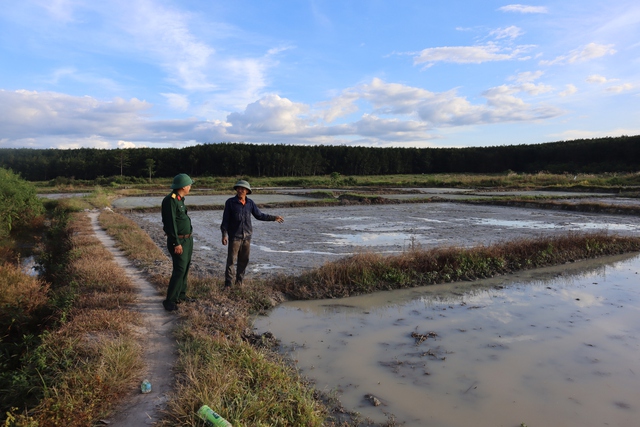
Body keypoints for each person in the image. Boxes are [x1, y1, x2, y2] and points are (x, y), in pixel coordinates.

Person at [220, 179, 284, 288]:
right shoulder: (230, 202)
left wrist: (274, 218)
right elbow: (225, 221)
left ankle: (239, 283)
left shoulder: (250, 203)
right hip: (235, 237)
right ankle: (228, 285)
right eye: (238, 188)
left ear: (247, 191)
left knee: (243, 261)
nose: (240, 190)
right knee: (231, 261)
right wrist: (224, 235)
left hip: (247, 237)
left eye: (243, 189)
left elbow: (259, 215)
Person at [161, 173, 194, 311]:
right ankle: (170, 300)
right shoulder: (171, 200)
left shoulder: (180, 199)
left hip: (187, 239)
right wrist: (176, 243)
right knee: (179, 269)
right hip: (179, 240)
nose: (190, 187)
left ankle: (181, 295)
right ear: (184, 186)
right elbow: (170, 223)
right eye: (189, 185)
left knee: (185, 268)